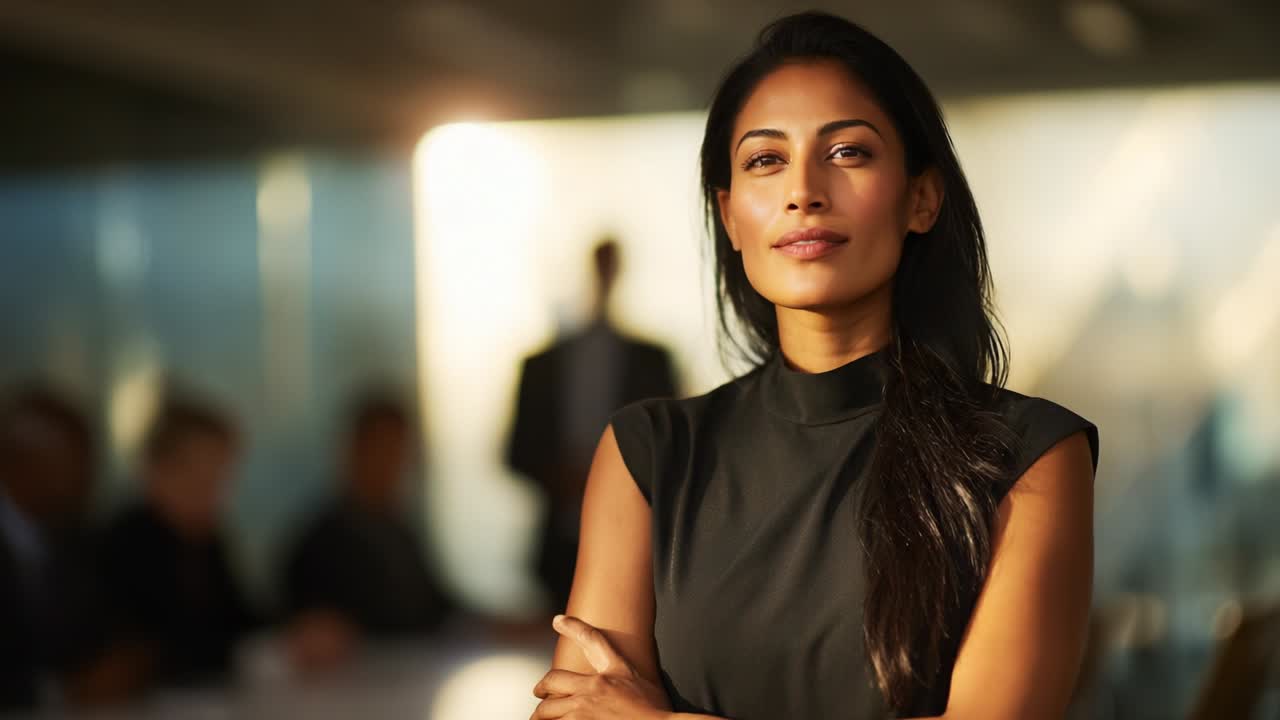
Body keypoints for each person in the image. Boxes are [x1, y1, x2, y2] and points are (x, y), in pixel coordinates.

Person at [531, 12, 1099, 720]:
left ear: (921, 198)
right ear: (731, 215)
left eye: (848, 152)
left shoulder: (1028, 457)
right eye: (766, 160)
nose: (804, 190)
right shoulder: (649, 455)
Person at [508, 239, 678, 613]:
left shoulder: (652, 360)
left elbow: (676, 450)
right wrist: (562, 477)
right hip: (557, 538)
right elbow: (516, 450)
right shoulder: (542, 365)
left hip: (639, 537)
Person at [94, 396, 255, 694]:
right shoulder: (124, 544)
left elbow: (238, 620)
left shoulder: (208, 539)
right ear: (154, 470)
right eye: (199, 478)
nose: (214, 494)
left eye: (220, 479)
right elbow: (158, 646)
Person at [283, 391, 453, 671]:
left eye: (398, 450)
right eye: (381, 448)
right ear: (353, 450)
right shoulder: (321, 541)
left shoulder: (398, 530)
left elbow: (436, 607)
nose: (392, 463)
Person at [0, 385, 96, 710]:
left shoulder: (71, 536)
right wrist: (63, 691)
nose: (85, 477)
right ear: (19, 461)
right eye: (73, 461)